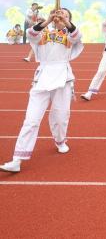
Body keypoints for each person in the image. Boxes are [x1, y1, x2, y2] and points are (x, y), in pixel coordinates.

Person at [0, 9, 83, 173]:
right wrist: (47, 21)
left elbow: (77, 36)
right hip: (42, 77)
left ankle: (60, 140)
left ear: (69, 20)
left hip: (63, 78)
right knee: (31, 120)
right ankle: (17, 159)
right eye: (58, 14)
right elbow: (30, 33)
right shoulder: (43, 32)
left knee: (60, 117)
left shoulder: (70, 34)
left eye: (65, 16)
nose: (61, 17)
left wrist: (65, 23)